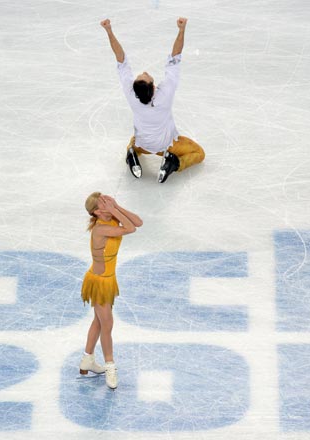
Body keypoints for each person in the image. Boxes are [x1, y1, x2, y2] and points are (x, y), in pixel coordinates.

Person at [100, 17, 205, 183]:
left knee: (132, 143)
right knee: (199, 153)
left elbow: (120, 59)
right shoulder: (164, 95)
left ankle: (131, 154)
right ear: (154, 87)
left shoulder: (131, 95)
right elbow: (175, 57)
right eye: (146, 75)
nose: (145, 71)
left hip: (143, 145)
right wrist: (181, 30)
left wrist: (109, 31)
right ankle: (174, 163)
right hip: (167, 146)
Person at [79, 192, 143, 389]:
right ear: (97, 212)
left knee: (99, 321)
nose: (108, 203)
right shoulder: (101, 229)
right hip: (98, 282)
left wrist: (117, 207)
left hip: (108, 279)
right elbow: (130, 229)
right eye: (104, 203)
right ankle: (110, 366)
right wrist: (115, 210)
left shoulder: (113, 218)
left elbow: (138, 222)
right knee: (107, 324)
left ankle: (87, 359)